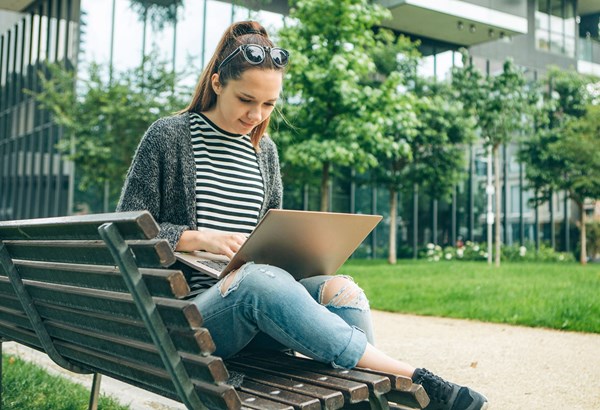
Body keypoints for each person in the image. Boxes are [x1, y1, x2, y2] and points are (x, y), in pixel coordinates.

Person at [117, 20, 488, 410]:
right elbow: (125, 229)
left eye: (268, 104)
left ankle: (361, 401)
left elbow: (271, 237)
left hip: (258, 306)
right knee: (257, 281)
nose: (256, 115)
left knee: (342, 290)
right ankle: (405, 377)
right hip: (191, 318)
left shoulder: (265, 153)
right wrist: (197, 237)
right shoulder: (169, 136)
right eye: (246, 99)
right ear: (216, 83)